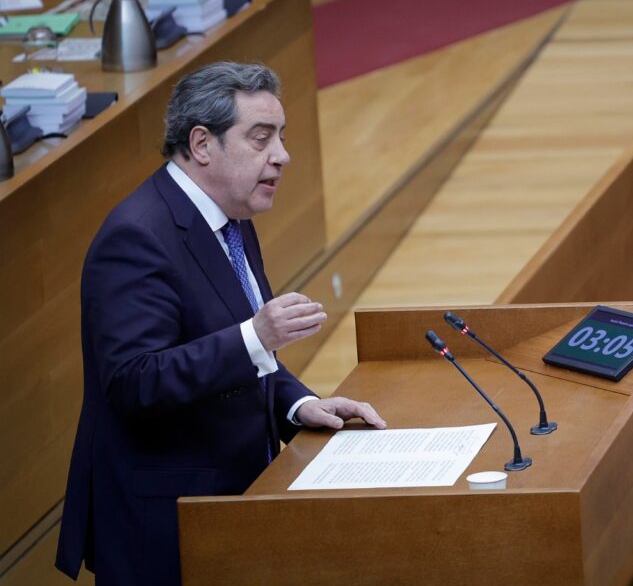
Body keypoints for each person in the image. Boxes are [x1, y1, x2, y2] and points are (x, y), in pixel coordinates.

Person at [55, 62, 386, 584]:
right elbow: (133, 382)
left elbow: (240, 355)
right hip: (166, 527)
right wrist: (257, 335)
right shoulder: (137, 237)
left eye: (281, 136)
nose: (282, 155)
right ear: (202, 144)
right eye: (261, 138)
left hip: (233, 507)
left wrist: (298, 405)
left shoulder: (230, 217)